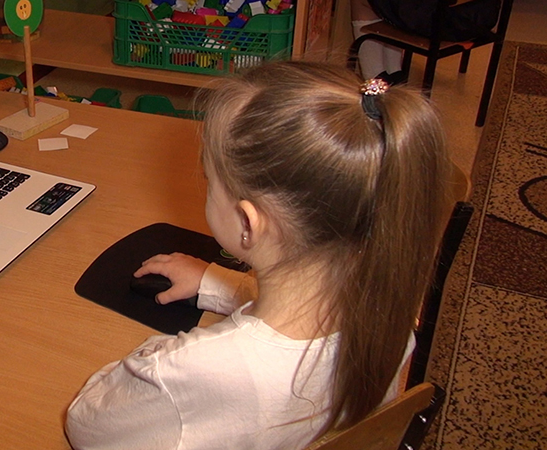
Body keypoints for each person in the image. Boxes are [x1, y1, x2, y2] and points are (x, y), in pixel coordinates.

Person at [65, 61, 450, 449]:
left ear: (248, 223)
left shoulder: (191, 372)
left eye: (210, 181)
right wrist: (219, 283)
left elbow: (84, 424)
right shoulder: (389, 303)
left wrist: (154, 358)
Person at [352, 0, 502, 81]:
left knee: (362, 2)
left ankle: (375, 81)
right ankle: (394, 73)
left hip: (442, 21)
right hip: (481, 17)